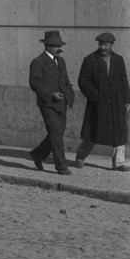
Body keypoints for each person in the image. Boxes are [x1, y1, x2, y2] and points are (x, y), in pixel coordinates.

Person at [74, 32, 130, 171]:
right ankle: (81, 156)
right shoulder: (90, 60)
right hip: (97, 104)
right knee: (93, 133)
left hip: (117, 103)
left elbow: (124, 81)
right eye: (100, 44)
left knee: (119, 132)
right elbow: (83, 81)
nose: (102, 47)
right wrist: (95, 95)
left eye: (106, 44)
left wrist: (127, 100)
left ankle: (119, 163)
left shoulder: (119, 60)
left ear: (112, 45)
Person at [28, 30, 76, 176]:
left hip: (62, 102)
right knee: (56, 133)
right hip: (47, 103)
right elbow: (34, 83)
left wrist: (69, 93)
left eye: (59, 45)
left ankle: (38, 154)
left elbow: (65, 80)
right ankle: (61, 167)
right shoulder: (38, 62)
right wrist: (51, 94)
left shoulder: (61, 61)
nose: (59, 48)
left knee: (58, 132)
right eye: (56, 46)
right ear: (48, 46)